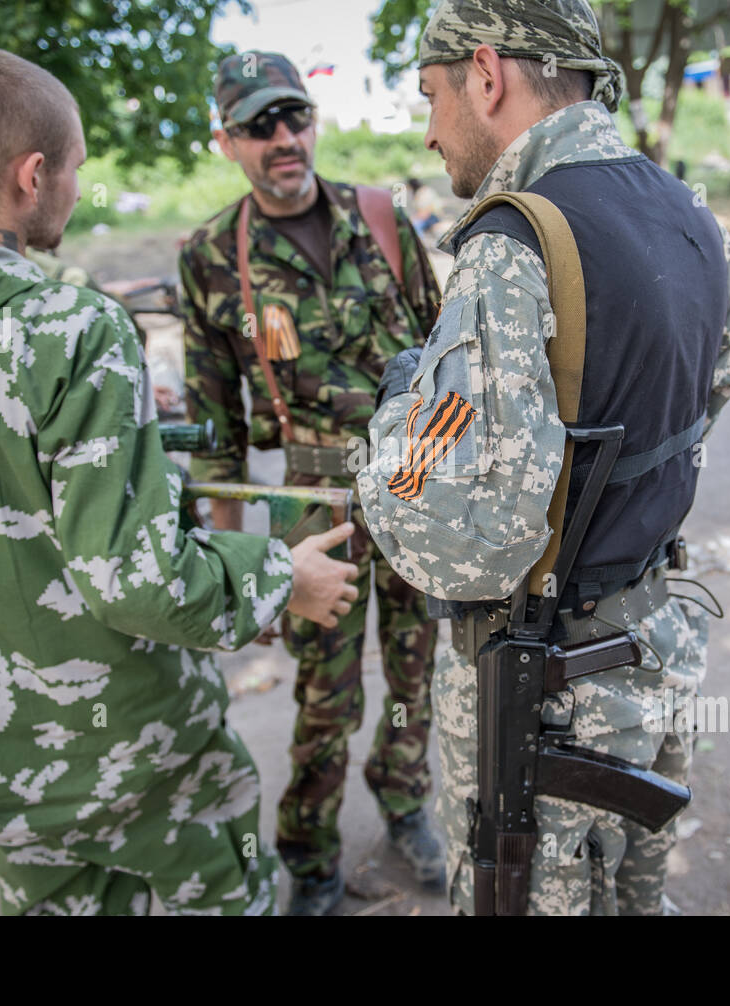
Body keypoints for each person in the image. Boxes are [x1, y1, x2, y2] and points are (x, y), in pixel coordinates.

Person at [0, 45, 358, 917]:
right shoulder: (68, 326)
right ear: (33, 174)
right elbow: (136, 581)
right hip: (140, 761)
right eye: (78, 169)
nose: (79, 191)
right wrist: (283, 575)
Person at [357, 0, 730, 915]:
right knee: (634, 899)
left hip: (549, 685)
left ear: (486, 75)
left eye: (432, 95)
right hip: (650, 640)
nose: (428, 133)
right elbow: (713, 388)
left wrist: (390, 428)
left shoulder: (513, 239)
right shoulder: (686, 209)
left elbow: (461, 540)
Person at [177, 51, 446, 914]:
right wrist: (234, 564)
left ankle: (406, 803)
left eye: (294, 117)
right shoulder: (214, 257)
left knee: (417, 672)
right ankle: (312, 858)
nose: (284, 139)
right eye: (259, 126)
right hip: (315, 506)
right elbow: (213, 425)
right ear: (228, 141)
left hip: (418, 481)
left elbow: (451, 357)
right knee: (325, 698)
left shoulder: (383, 216)